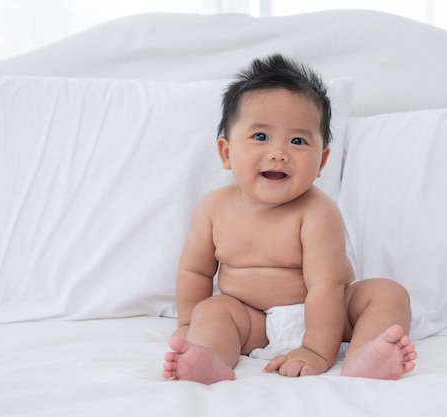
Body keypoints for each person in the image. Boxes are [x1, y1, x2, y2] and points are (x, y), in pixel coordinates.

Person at [162, 54, 416, 384]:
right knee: (212, 311)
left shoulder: (317, 211)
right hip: (250, 321)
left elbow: (326, 287)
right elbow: (195, 272)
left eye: (298, 141)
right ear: (226, 152)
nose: (279, 152)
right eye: (261, 136)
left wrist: (316, 350)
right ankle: (209, 357)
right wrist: (187, 324)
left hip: (328, 317)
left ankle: (365, 354)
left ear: (322, 160)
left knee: (387, 294)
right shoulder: (212, 209)